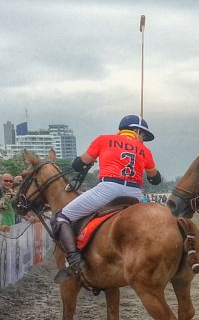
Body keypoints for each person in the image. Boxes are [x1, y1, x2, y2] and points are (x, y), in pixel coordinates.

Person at [53, 115, 162, 281]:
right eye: (143, 136)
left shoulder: (103, 140)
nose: (143, 139)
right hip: (135, 193)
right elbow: (155, 179)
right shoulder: (144, 150)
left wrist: (84, 163)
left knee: (61, 217)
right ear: (137, 131)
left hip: (108, 189)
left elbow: (80, 163)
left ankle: (74, 259)